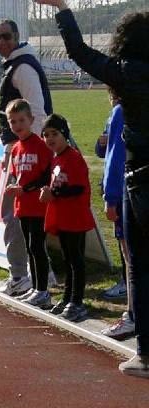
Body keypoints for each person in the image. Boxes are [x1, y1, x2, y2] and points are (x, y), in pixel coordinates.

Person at [35, 0, 149, 380]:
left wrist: (63, 9)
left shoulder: (126, 72)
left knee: (141, 268)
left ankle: (146, 355)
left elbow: (80, 53)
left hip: (142, 182)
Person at [0, 18, 54, 297]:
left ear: (17, 36)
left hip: (26, 154)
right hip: (22, 151)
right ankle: (41, 274)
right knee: (24, 216)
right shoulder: (17, 65)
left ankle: (22, 275)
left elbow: (38, 113)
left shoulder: (23, 68)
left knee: (16, 215)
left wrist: (26, 149)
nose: (1, 42)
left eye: (6, 36)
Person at [39, 114, 94, 322]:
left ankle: (77, 301)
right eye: (46, 135)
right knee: (68, 258)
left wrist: (55, 194)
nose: (50, 138)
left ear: (65, 134)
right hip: (62, 217)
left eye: (54, 134)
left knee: (76, 260)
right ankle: (68, 297)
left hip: (75, 217)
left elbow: (78, 187)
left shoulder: (74, 157)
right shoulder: (56, 159)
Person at [3, 99, 53, 309]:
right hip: (22, 207)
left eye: (21, 120)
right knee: (29, 248)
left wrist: (25, 189)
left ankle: (42, 290)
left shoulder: (41, 146)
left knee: (37, 246)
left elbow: (45, 176)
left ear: (31, 120)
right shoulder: (15, 149)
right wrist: (14, 187)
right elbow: (15, 175)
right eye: (13, 122)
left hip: (38, 206)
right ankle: (34, 287)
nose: (17, 125)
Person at [95, 92, 135, 339]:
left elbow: (115, 158)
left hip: (130, 192)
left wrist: (111, 196)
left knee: (132, 259)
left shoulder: (122, 111)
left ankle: (133, 315)